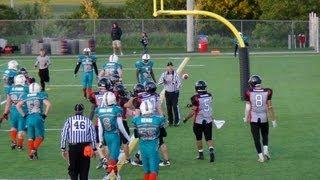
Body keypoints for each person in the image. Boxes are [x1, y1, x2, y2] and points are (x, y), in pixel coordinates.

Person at [95, 92, 130, 179]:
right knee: (114, 158)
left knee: (112, 157)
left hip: (106, 135)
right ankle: (107, 174)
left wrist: (101, 140)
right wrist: (128, 137)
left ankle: (116, 173)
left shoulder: (100, 110)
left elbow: (100, 128)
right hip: (114, 136)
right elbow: (121, 127)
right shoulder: (116, 109)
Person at [244, 75, 277, 162]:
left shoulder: (248, 92)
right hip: (264, 117)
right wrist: (273, 119)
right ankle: (266, 150)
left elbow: (247, 107)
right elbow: (270, 107)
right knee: (265, 135)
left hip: (254, 117)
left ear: (252, 83)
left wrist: (246, 117)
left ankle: (261, 157)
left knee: (256, 138)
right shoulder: (268, 91)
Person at [60, 103, 97, 180]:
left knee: (73, 170)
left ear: (75, 111)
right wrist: (94, 149)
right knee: (84, 170)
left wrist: (63, 148)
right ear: (82, 111)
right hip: (85, 148)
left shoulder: (69, 120)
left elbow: (64, 135)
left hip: (73, 147)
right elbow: (93, 136)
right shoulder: (88, 121)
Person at [16, 82, 51, 160]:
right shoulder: (41, 94)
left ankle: (31, 154)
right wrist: (44, 116)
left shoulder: (26, 96)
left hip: (29, 118)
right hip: (38, 117)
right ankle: (33, 150)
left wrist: (24, 115)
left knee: (31, 137)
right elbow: (48, 104)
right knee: (40, 137)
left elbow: (18, 106)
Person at [132, 100, 166, 180]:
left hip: (142, 147)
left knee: (146, 171)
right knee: (154, 171)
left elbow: (136, 135)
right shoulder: (158, 119)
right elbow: (164, 133)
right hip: (153, 147)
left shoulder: (136, 120)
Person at [183, 80, 215, 163]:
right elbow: (203, 104)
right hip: (208, 120)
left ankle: (201, 154)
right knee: (208, 138)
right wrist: (192, 105)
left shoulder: (195, 97)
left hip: (198, 121)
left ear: (196, 88)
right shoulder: (210, 95)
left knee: (199, 138)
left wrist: (186, 118)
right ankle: (211, 149)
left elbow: (193, 111)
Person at [0, 74, 29, 150]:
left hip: (13, 110)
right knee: (21, 130)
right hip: (22, 110)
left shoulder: (10, 89)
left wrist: (5, 113)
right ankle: (19, 145)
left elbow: (8, 103)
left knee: (13, 127)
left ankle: (13, 141)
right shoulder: (26, 89)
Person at [88, 78, 111, 169]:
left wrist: (90, 119)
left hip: (99, 122)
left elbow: (93, 107)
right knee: (106, 143)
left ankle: (103, 159)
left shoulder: (95, 95)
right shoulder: (111, 94)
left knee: (99, 143)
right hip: (109, 121)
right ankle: (105, 160)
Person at [158, 62, 181, 126]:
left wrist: (176, 85)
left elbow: (179, 83)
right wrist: (164, 81)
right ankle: (170, 121)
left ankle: (177, 121)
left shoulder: (176, 74)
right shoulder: (164, 74)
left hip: (175, 92)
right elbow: (159, 82)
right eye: (169, 66)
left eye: (171, 66)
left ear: (173, 67)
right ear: (167, 67)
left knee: (175, 106)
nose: (170, 68)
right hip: (167, 92)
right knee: (168, 107)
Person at [114, 84, 131, 163]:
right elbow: (128, 105)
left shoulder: (113, 98)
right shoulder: (122, 99)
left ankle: (114, 158)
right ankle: (127, 159)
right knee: (125, 141)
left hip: (113, 121)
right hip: (122, 121)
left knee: (116, 141)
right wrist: (132, 98)